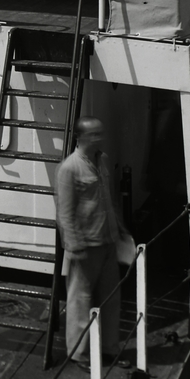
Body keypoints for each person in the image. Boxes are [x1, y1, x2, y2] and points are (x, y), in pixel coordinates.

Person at [54, 117, 130, 365]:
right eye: (94, 134)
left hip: (107, 241)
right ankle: (78, 353)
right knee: (80, 301)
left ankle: (109, 348)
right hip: (85, 247)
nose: (99, 138)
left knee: (110, 298)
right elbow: (65, 212)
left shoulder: (102, 160)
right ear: (81, 137)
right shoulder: (70, 168)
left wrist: (120, 230)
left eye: (100, 133)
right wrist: (74, 245)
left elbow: (108, 200)